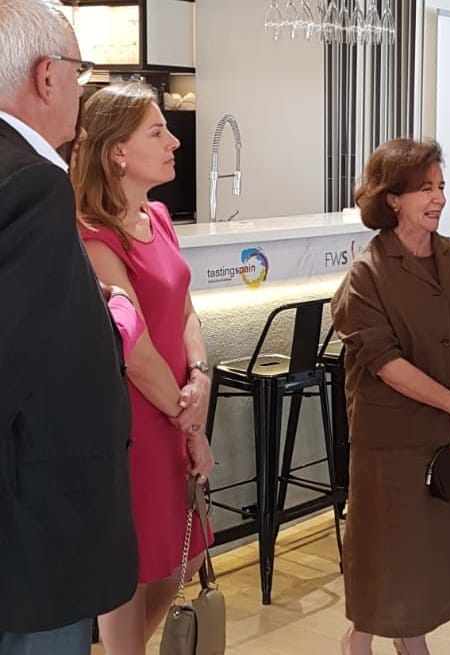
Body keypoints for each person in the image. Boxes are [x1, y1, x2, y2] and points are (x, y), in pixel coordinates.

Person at [332, 138, 450, 655]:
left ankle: (409, 641)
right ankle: (360, 639)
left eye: (441, 187)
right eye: (424, 189)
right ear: (392, 199)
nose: (438, 198)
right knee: (386, 550)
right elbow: (384, 362)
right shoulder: (367, 274)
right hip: (392, 440)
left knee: (431, 555)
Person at [0, 1, 138, 653]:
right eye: (80, 72)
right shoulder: (32, 182)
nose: (83, 90)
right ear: (47, 75)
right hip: (34, 529)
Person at [71, 82, 214, 654]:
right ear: (117, 152)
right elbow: (133, 349)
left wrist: (200, 375)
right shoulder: (93, 234)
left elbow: (184, 309)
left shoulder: (157, 216)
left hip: (176, 406)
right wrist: (190, 417)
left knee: (186, 550)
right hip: (133, 422)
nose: (174, 142)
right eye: (158, 132)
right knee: (131, 570)